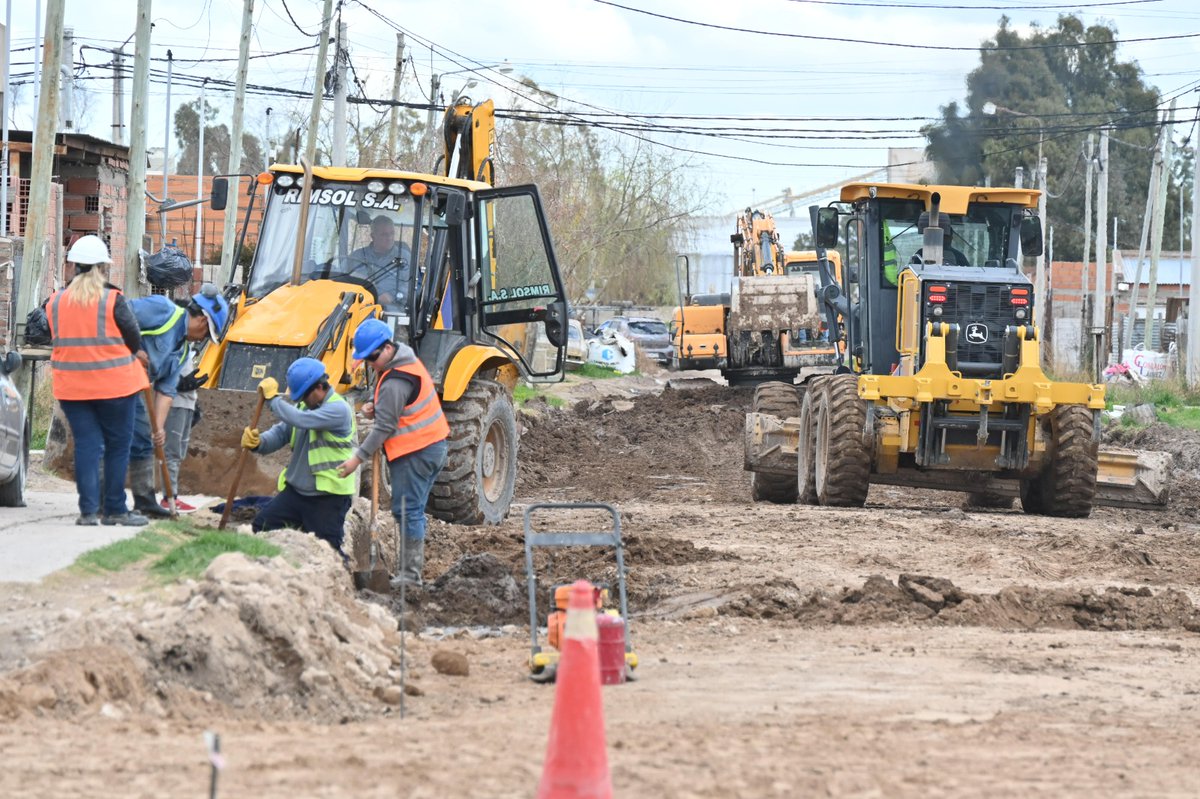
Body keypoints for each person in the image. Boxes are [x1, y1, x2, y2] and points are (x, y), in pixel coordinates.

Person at [46, 235, 151, 526]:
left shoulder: (55, 302)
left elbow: (50, 333)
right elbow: (133, 338)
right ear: (102, 267)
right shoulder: (113, 299)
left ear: (74, 266)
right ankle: (115, 509)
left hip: (72, 388)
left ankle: (89, 512)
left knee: (87, 446)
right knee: (118, 446)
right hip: (115, 386)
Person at [337, 318, 449, 587]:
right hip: (430, 445)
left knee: (408, 511)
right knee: (409, 510)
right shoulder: (403, 359)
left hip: (416, 451)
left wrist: (357, 458)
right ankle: (409, 570)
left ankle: (410, 576)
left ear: (386, 348)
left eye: (372, 357)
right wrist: (376, 403)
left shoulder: (396, 380)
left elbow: (384, 427)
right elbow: (395, 401)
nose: (371, 363)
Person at [127, 283, 228, 517]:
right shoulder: (162, 310)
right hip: (112, 374)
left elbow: (166, 390)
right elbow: (118, 317)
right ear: (203, 322)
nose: (202, 338)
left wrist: (158, 428)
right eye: (206, 334)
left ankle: (144, 502)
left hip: (134, 389)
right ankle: (104, 502)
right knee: (114, 438)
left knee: (143, 439)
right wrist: (132, 350)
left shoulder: (182, 351)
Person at [242, 358, 358, 561]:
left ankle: (341, 585)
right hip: (296, 494)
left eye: (304, 396)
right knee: (261, 528)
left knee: (329, 553)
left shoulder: (339, 410)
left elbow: (300, 420)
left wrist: (273, 400)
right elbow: (281, 434)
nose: (301, 401)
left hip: (327, 498)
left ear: (320, 387)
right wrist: (259, 442)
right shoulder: (305, 408)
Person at [159, 345, 207, 512]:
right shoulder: (175, 343)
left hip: (186, 403)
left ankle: (171, 496)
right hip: (175, 403)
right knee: (171, 452)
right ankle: (169, 498)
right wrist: (178, 383)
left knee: (178, 453)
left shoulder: (187, 347)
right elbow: (161, 369)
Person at [346, 215, 412, 304]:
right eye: (384, 234)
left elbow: (412, 286)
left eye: (392, 233)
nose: (389, 238)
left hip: (392, 309)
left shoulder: (405, 258)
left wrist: (393, 296)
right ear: (373, 236)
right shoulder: (357, 257)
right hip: (359, 305)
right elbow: (340, 277)